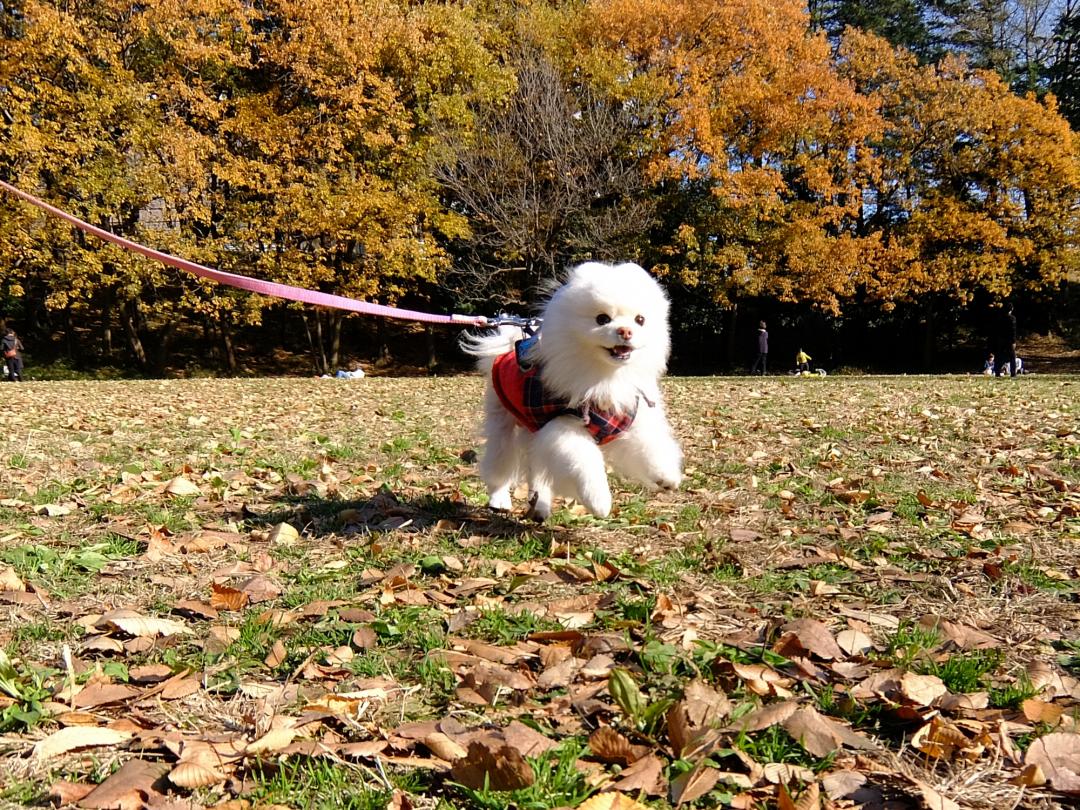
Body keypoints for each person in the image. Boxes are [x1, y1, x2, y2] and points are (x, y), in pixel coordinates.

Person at [997, 303, 1017, 378]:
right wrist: (1013, 341)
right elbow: (1013, 331)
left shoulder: (1000, 318)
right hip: (1009, 340)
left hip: (1001, 339)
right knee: (1012, 357)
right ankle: (1013, 373)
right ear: (1011, 309)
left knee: (999, 356)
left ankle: (997, 372)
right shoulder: (1012, 318)